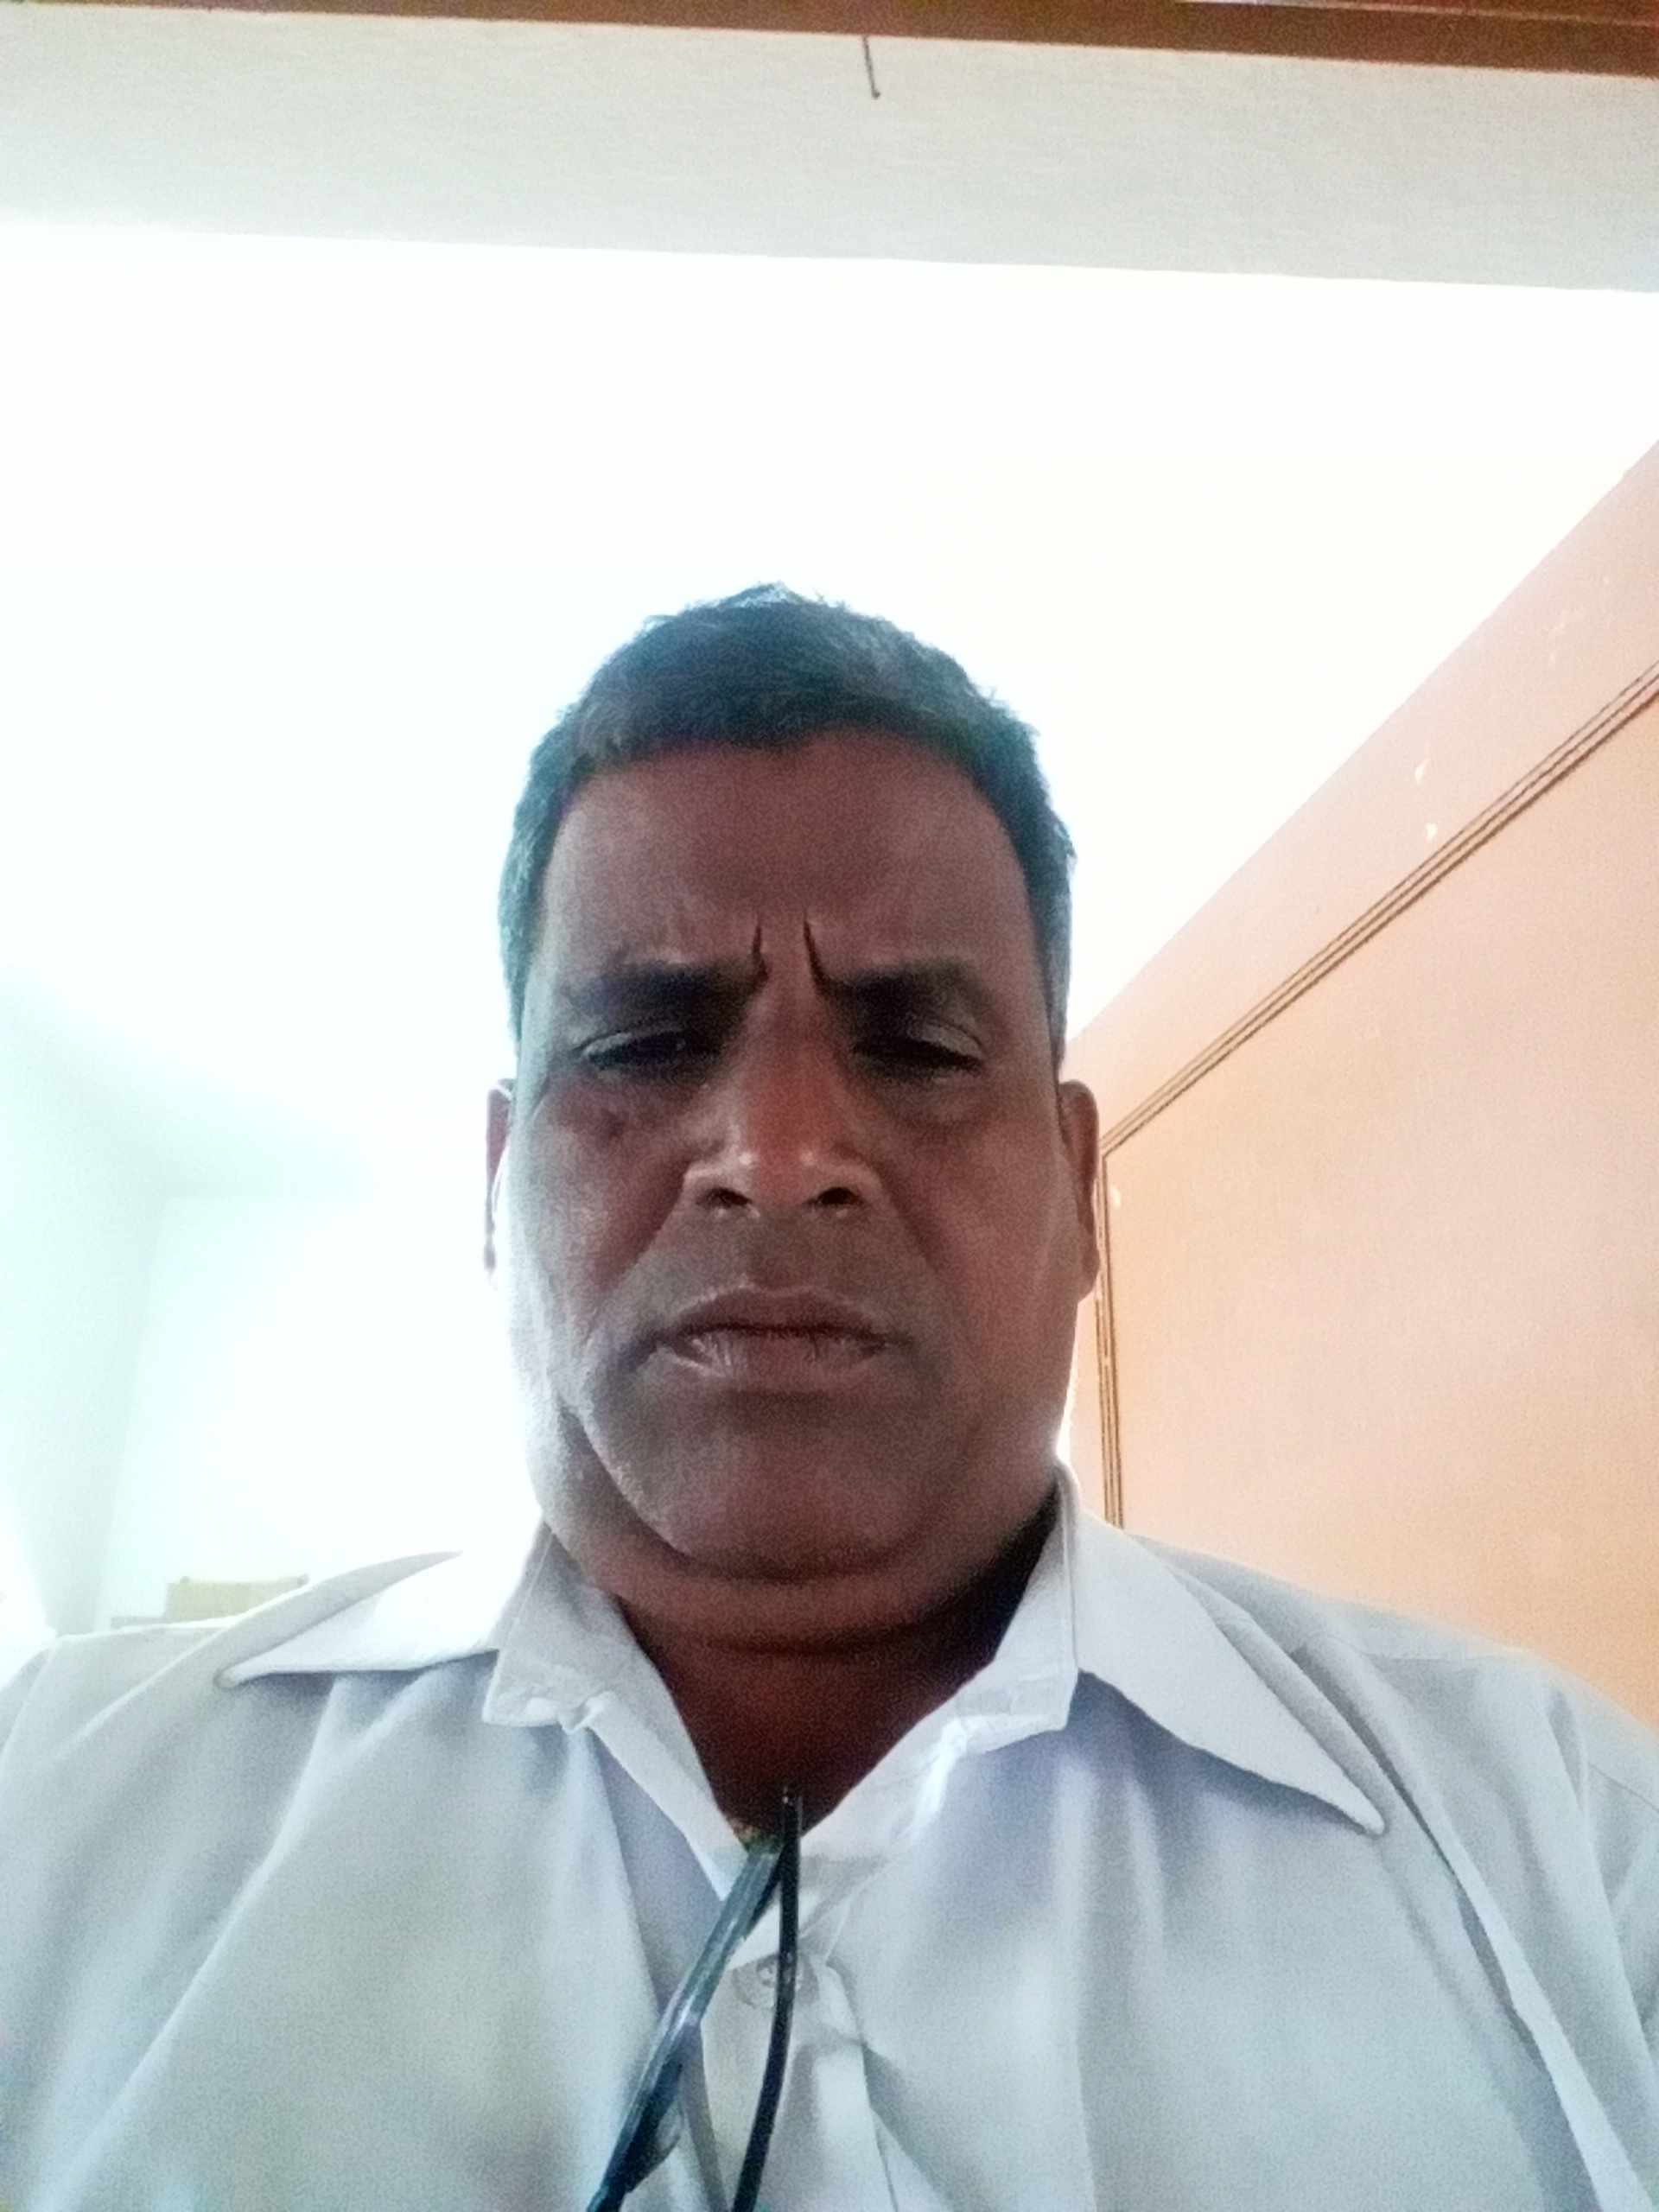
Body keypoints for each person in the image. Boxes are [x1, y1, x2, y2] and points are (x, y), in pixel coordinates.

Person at [2, 587, 1656, 2212]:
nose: (781, 1153)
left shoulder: (1564, 1847)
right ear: (499, 1183)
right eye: (647, 1041)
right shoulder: (52, 1806)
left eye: (917, 1046)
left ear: (1079, 1182)